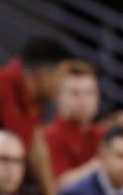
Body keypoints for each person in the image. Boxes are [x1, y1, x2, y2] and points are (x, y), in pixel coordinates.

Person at [0, 36, 72, 195]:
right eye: (61, 77)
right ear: (43, 75)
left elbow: (38, 154)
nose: (62, 85)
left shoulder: (34, 101)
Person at [43, 59, 104, 187]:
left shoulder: (103, 134)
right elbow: (58, 187)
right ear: (57, 97)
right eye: (75, 93)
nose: (84, 101)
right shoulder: (48, 137)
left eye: (90, 93)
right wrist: (102, 164)